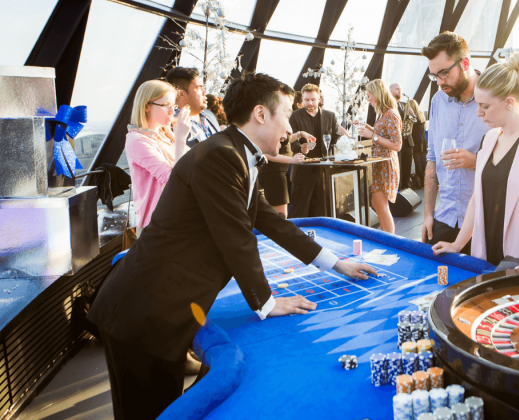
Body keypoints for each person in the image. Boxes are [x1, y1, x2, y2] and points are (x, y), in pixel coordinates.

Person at [87, 73, 376, 420]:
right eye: (285, 114)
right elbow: (237, 238)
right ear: (260, 114)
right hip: (144, 313)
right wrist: (266, 303)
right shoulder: (221, 156)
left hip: (158, 308)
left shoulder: (234, 152)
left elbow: (269, 221)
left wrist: (336, 263)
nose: (289, 127)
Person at [431, 52, 519, 267]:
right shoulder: (489, 139)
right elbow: (476, 199)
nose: (479, 113)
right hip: (489, 255)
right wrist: (458, 243)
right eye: (478, 104)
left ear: (509, 102)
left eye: (485, 106)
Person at [420, 31, 491, 254]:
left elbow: (512, 161)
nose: (440, 82)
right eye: (434, 76)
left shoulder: (494, 96)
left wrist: (475, 161)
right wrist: (428, 214)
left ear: (465, 63)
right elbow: (432, 160)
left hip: (484, 221)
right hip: (445, 218)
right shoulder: (437, 101)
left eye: (444, 73)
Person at [125, 80, 191, 234]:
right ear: (146, 106)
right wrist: (181, 139)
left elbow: (193, 162)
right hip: (157, 225)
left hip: (175, 217)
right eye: (165, 105)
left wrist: (176, 136)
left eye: (173, 106)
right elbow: (173, 179)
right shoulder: (137, 140)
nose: (171, 111)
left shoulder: (163, 135)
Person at [288, 84, 341, 218]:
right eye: (306, 100)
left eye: (313, 99)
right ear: (302, 100)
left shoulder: (330, 116)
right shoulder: (295, 116)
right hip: (302, 171)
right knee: (299, 211)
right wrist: (300, 148)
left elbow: (336, 139)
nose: (310, 103)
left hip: (325, 172)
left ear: (319, 99)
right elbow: (290, 140)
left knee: (323, 211)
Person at [356, 80, 402, 232]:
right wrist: (366, 126)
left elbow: (397, 145)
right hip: (379, 165)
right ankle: (386, 237)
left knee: (381, 205)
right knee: (377, 203)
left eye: (369, 95)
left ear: (376, 94)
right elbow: (380, 134)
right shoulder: (383, 114)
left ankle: (389, 240)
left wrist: (372, 135)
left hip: (386, 166)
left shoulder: (391, 114)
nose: (368, 99)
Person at [259, 129, 314, 218]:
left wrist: (300, 134)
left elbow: (283, 141)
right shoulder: (268, 121)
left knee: (280, 217)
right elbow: (264, 152)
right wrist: (291, 160)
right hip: (274, 173)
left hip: (280, 172)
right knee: (281, 217)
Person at [165, 67, 221, 147]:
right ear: (181, 94)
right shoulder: (169, 125)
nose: (204, 92)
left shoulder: (210, 116)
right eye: (199, 88)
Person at [391, 83, 419, 189]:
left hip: (408, 140)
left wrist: (413, 114)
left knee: (407, 166)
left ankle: (407, 187)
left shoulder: (404, 105)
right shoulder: (389, 106)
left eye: (401, 89)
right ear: (391, 91)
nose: (400, 91)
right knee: (398, 167)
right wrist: (396, 126)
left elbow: (415, 121)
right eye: (397, 89)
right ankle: (398, 190)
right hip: (397, 141)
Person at [408, 97, 427, 189]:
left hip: (416, 142)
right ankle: (425, 179)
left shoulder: (414, 117)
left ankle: (422, 180)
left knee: (418, 161)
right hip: (423, 141)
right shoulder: (421, 114)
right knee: (423, 161)